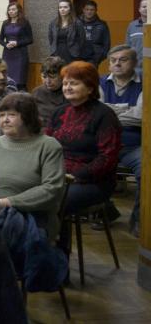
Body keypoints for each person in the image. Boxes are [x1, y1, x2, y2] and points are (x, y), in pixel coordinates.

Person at [46, 61, 121, 256]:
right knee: (24, 190)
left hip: (93, 181)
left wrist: (75, 176)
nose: (67, 87)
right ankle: (34, 250)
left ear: (90, 87)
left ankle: (59, 257)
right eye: (65, 83)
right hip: (57, 176)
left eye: (74, 83)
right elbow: (46, 145)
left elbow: (107, 158)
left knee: (55, 200)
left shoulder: (104, 115)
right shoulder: (59, 112)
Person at [0, 93, 65, 241]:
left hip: (31, 218)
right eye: (1, 115)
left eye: (12, 115)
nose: (5, 120)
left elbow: (52, 189)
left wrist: (7, 203)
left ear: (28, 117)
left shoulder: (48, 146)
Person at [99, 45, 143, 236]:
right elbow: (97, 115)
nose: (117, 64)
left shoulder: (145, 84)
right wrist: (127, 109)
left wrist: (110, 112)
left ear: (135, 63)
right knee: (82, 165)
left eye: (123, 60)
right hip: (103, 145)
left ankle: (139, 220)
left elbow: (141, 117)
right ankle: (105, 213)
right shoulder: (100, 83)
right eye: (113, 60)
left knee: (148, 171)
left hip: (132, 145)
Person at [0, 2, 33, 90]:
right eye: (9, 10)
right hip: (8, 54)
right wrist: (6, 45)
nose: (11, 11)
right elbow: (0, 40)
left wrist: (17, 43)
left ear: (18, 10)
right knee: (7, 80)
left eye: (13, 9)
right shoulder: (5, 23)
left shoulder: (24, 22)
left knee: (20, 81)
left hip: (20, 54)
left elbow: (30, 39)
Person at [48, 0, 87, 64]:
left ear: (70, 9)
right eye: (60, 7)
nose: (62, 9)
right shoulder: (53, 23)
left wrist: (76, 50)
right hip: (56, 53)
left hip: (72, 54)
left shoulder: (77, 23)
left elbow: (82, 40)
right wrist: (53, 50)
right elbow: (51, 38)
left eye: (65, 7)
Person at [31, 56, 66, 126]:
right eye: (44, 77)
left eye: (52, 77)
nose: (47, 81)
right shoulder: (37, 92)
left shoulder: (68, 93)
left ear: (62, 76)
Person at [80, 0, 110, 67]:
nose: (89, 12)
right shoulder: (76, 23)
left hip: (94, 58)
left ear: (96, 11)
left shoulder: (102, 24)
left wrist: (100, 57)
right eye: (87, 9)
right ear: (83, 10)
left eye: (92, 10)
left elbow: (106, 43)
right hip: (78, 57)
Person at [125, 0, 146, 75]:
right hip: (136, 68)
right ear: (139, 9)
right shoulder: (132, 26)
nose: (146, 9)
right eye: (144, 7)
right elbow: (127, 46)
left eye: (149, 6)